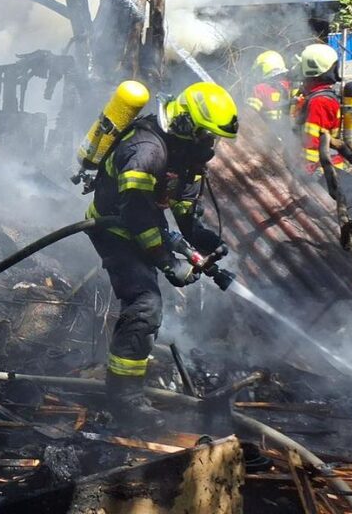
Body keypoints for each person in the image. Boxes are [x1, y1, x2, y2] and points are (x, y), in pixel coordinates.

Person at [80, 81, 238, 427]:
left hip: (142, 226)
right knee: (145, 303)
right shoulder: (146, 150)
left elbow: (183, 207)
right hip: (113, 228)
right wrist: (169, 263)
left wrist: (204, 240)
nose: (210, 145)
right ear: (185, 125)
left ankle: (138, 374)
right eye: (205, 135)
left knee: (151, 300)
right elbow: (136, 214)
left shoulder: (187, 155)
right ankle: (124, 400)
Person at [293, 43, 345, 174]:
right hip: (321, 166)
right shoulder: (314, 95)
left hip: (322, 170)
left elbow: (314, 141)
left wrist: (310, 170)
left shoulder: (320, 102)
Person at [246, 50, 293, 122]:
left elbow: (249, 116)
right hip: (291, 130)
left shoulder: (260, 89)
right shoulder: (293, 85)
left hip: (267, 130)